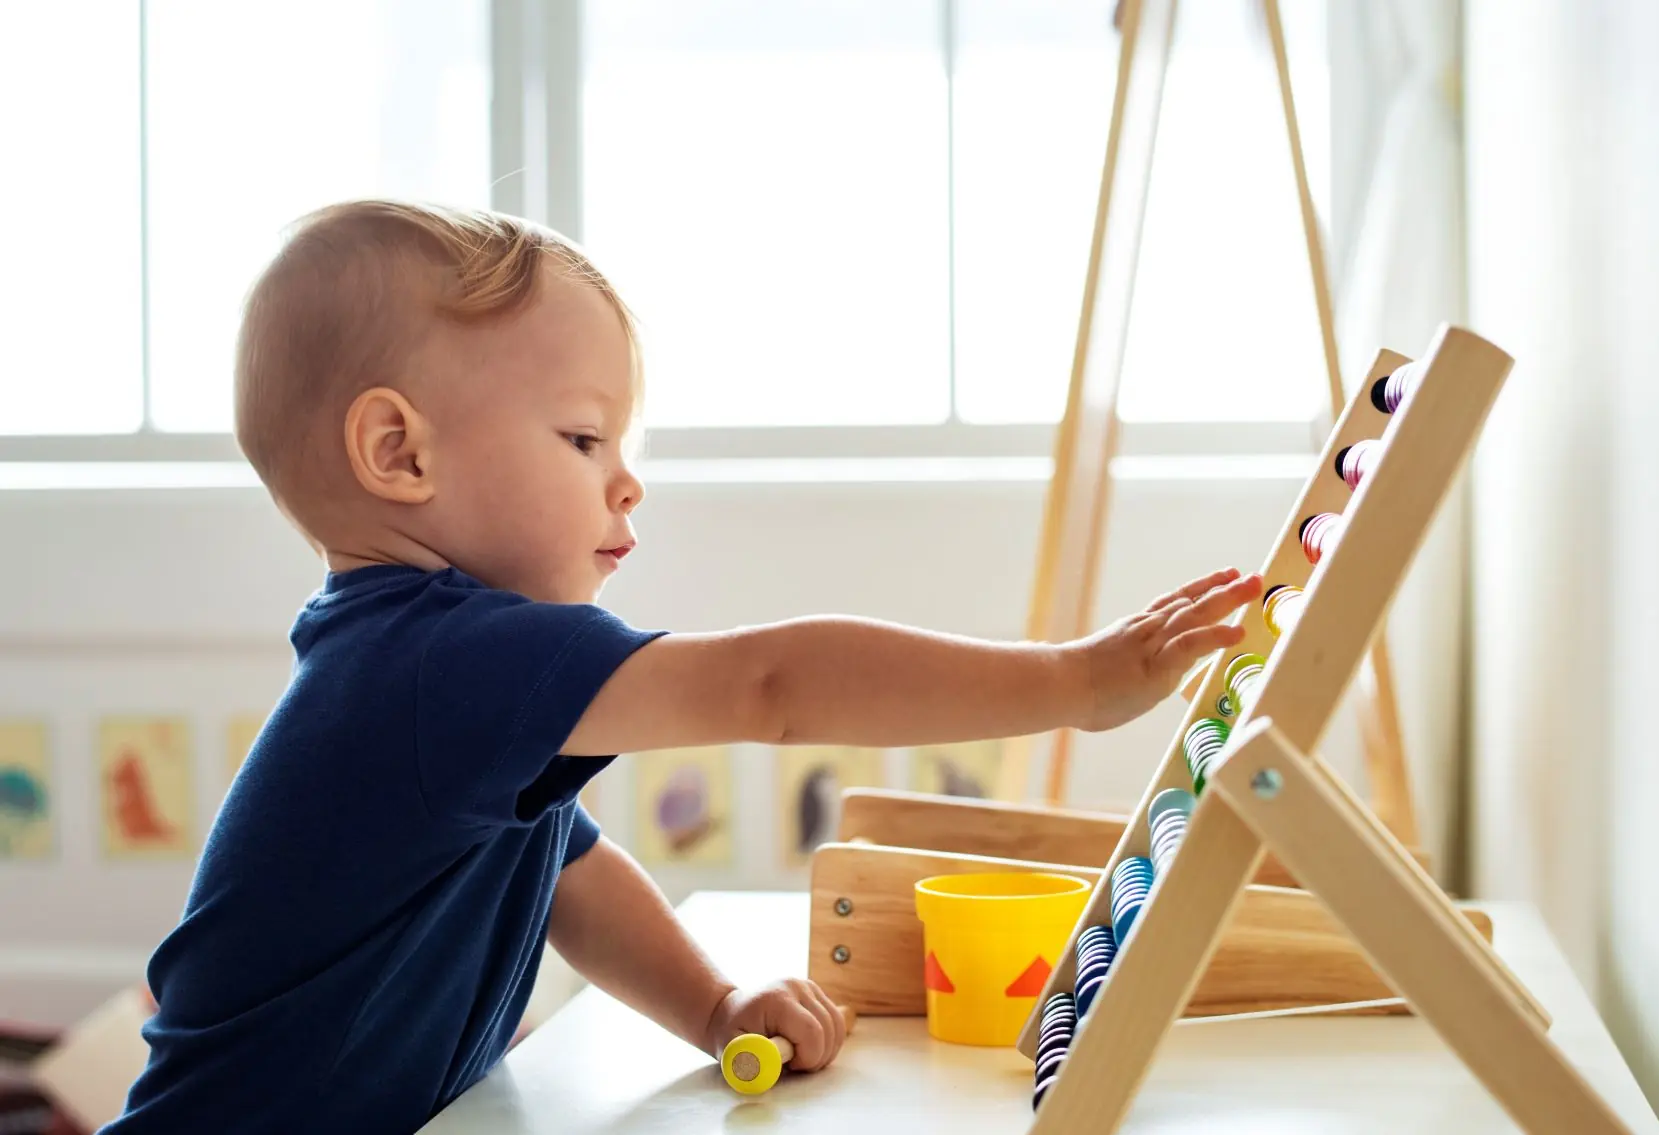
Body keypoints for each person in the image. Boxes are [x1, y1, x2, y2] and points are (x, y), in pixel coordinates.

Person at [102, 200, 1260, 1133]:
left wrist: (714, 1005)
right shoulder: (442, 662)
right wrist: (1068, 682)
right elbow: (773, 686)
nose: (625, 480)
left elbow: (567, 870)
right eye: (582, 438)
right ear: (398, 452)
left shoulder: (432, 675)